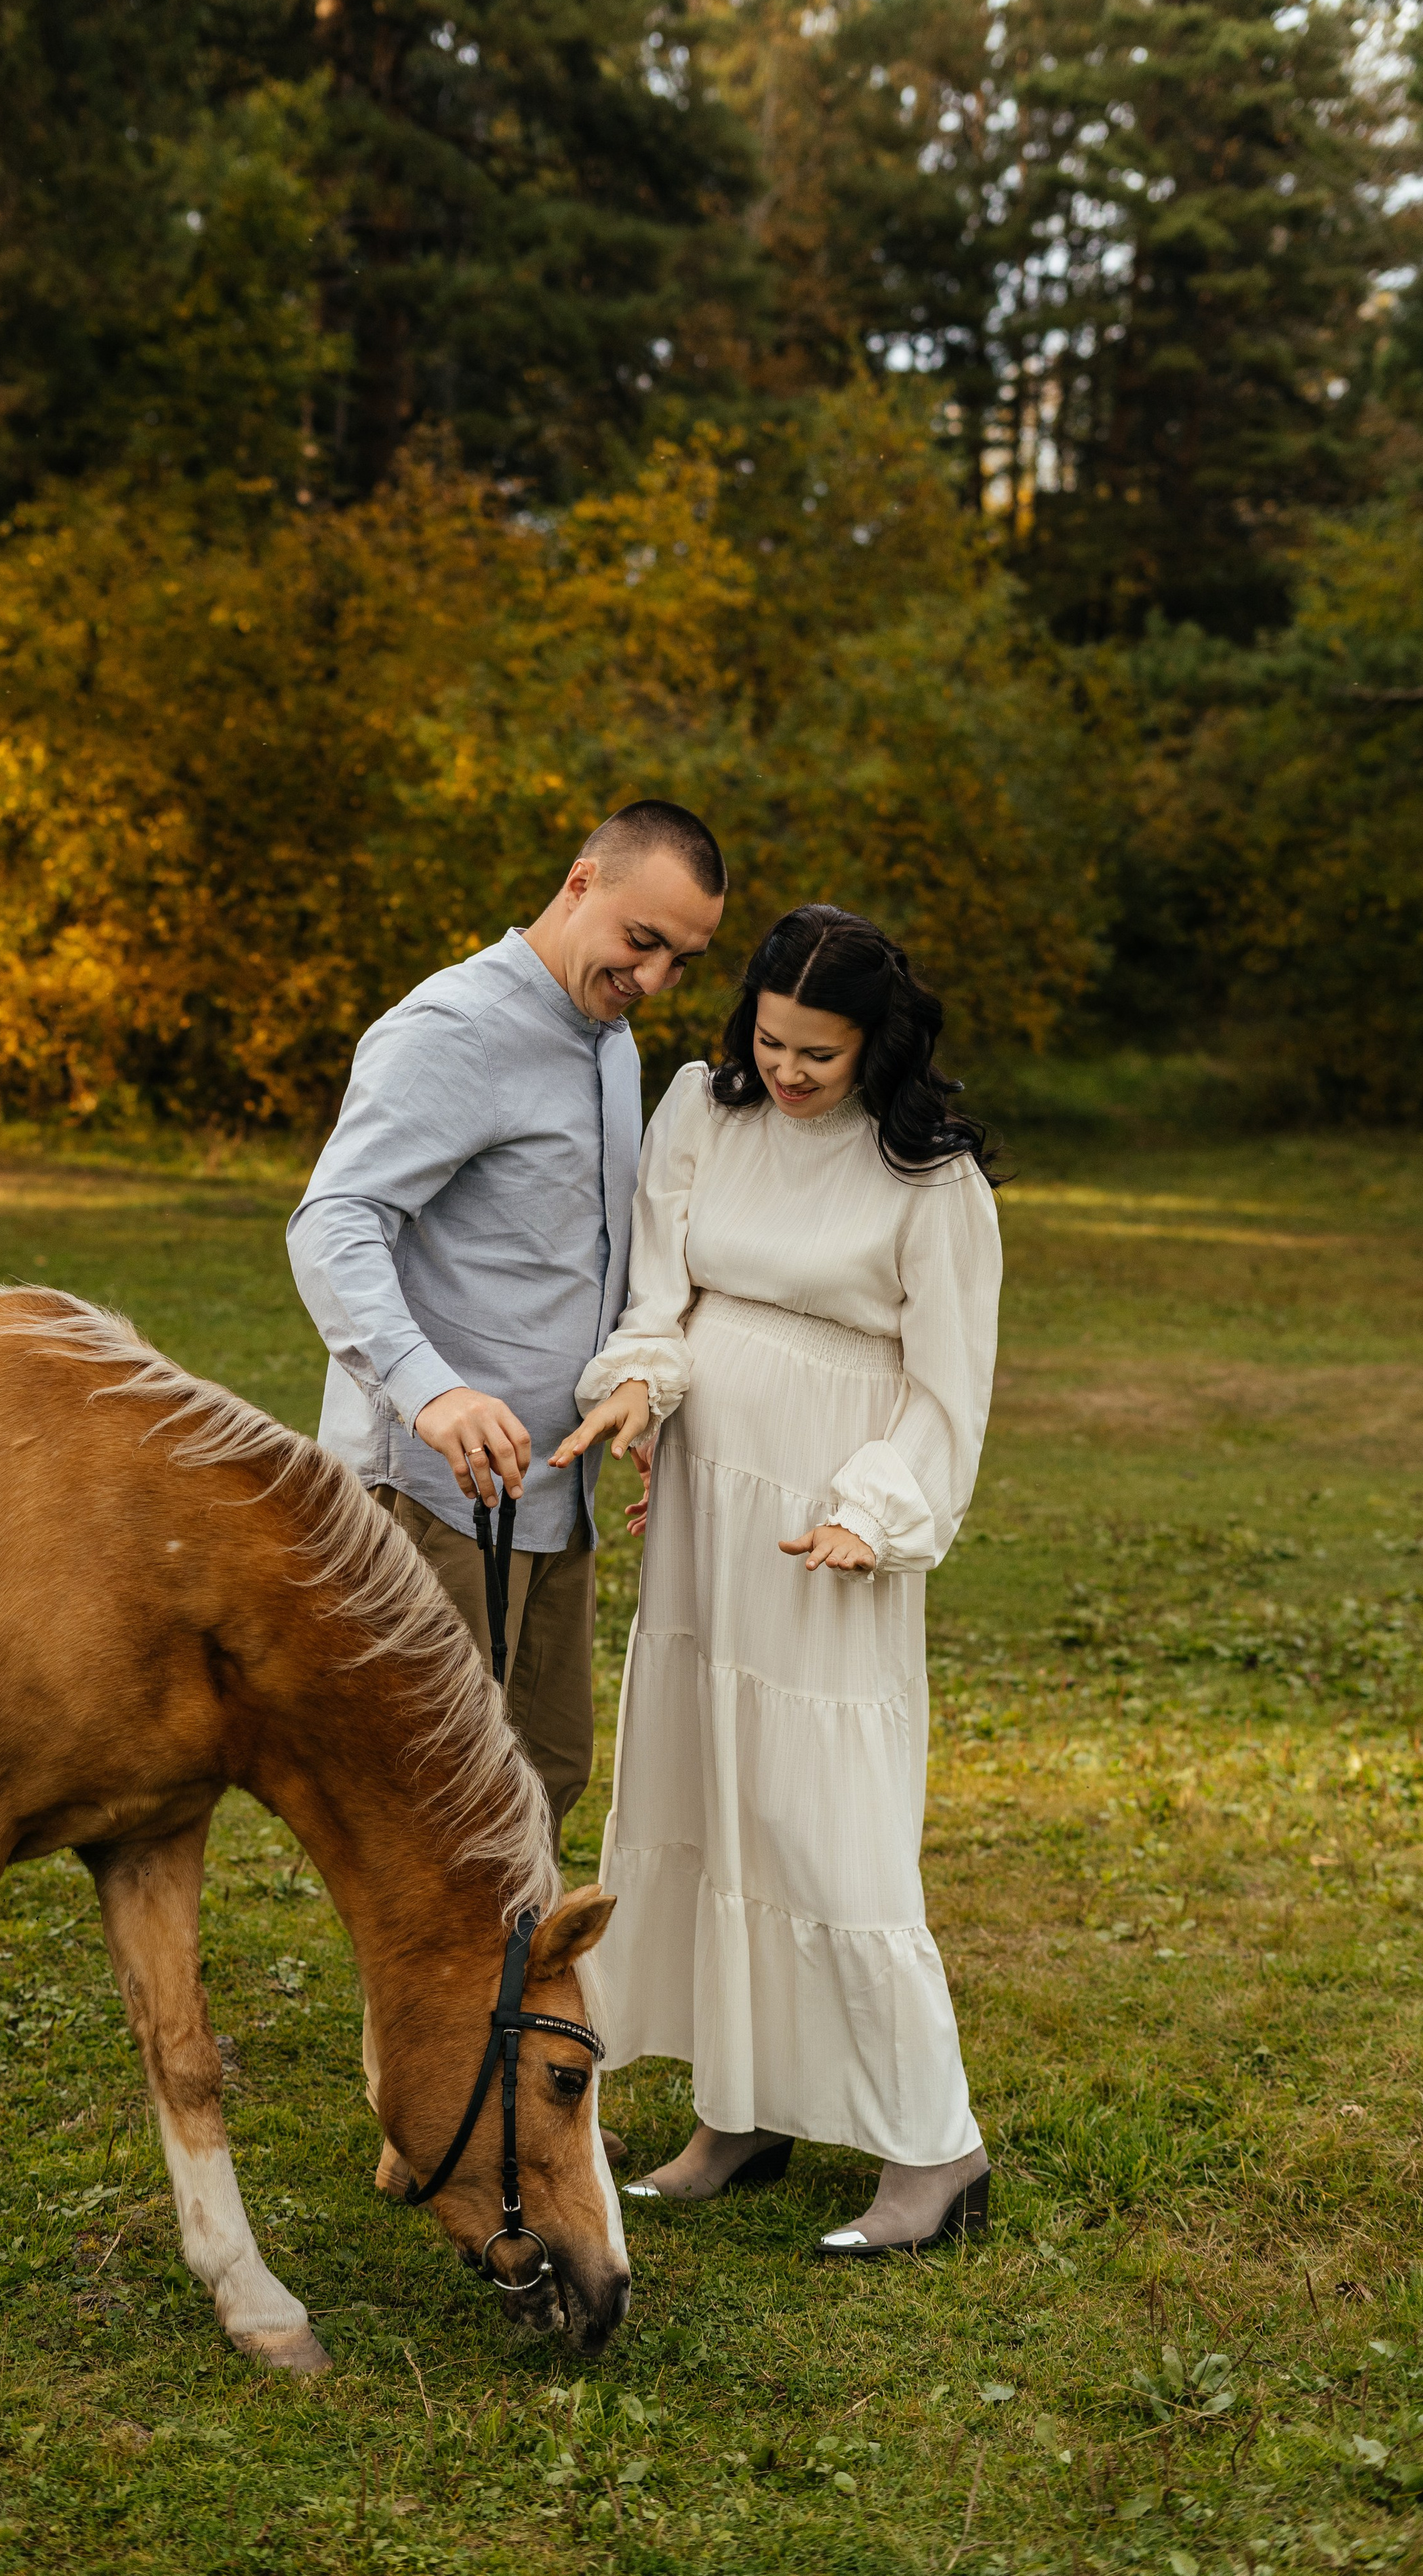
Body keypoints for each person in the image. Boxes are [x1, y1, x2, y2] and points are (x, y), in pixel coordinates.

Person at [550, 903, 1001, 2257]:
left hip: (825, 1514)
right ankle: (738, 2114)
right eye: (771, 1040)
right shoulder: (703, 1108)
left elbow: (948, 1389)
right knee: (708, 1793)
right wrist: (639, 1387)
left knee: (819, 1823)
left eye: (819, 1052)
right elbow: (662, 1295)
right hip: (707, 1498)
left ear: (877, 1044)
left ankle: (936, 2152)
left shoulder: (931, 1181)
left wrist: (875, 1507)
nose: (788, 1071)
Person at [287, 800, 727, 1856]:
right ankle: (441, 1981)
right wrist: (431, 1391)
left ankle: (509, 1971)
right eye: (642, 941)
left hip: (553, 1495)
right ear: (580, 883)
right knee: (434, 1806)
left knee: (545, 1773)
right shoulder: (456, 1028)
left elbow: (586, 1258)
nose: (655, 978)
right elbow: (335, 1222)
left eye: (683, 961)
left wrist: (636, 1392)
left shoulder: (610, 1038)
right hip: (435, 1495)